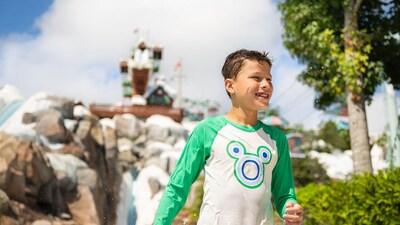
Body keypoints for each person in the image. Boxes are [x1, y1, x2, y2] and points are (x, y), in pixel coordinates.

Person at [153, 49, 303, 225]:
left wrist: (290, 209)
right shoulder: (207, 130)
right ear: (230, 85)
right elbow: (178, 187)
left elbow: (284, 193)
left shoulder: (277, 139)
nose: (266, 84)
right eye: (256, 78)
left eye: (269, 79)